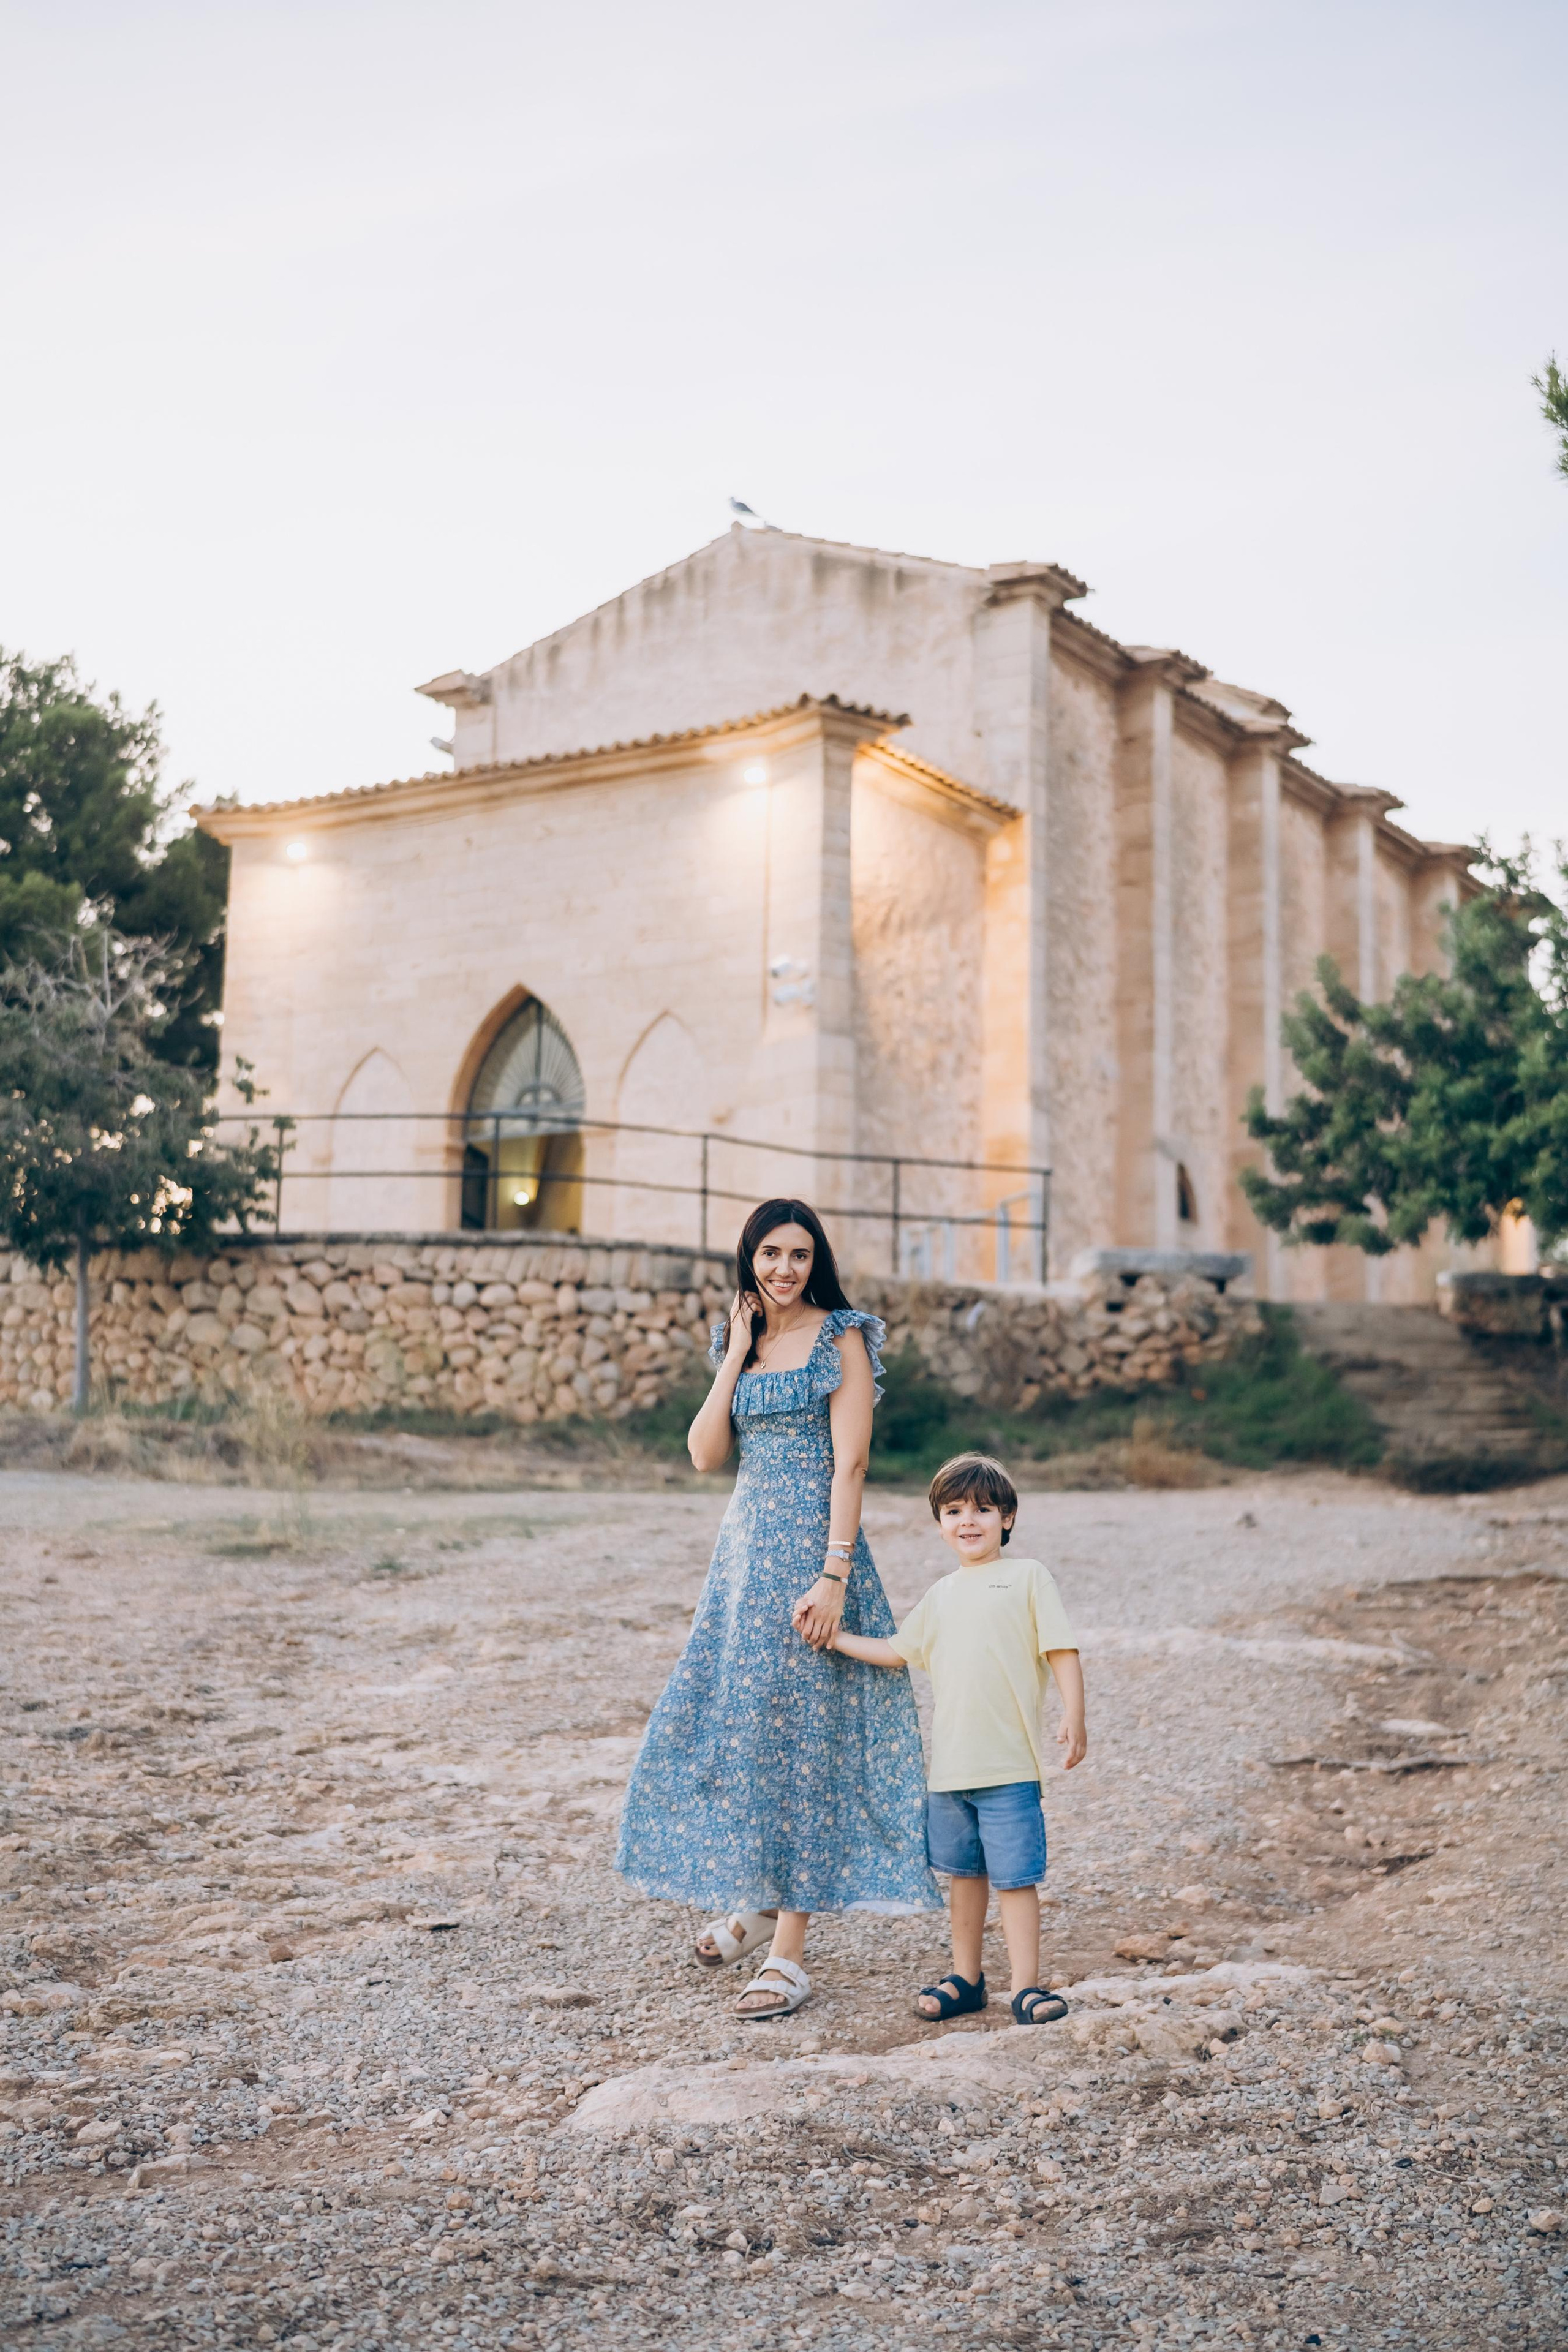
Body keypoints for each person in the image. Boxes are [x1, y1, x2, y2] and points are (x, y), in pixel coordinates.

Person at [614, 1198, 939, 2018]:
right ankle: (759, 1903)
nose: (784, 1269)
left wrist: (834, 1576)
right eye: (769, 1254)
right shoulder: (742, 1339)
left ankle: (789, 1952)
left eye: (798, 1255)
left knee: (807, 1745)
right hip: (742, 1564)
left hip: (811, 1559)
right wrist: (735, 1351)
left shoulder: (843, 1335)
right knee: (745, 1729)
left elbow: (852, 1463)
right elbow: (703, 1454)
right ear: (749, 1260)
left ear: (815, 1260)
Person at [826, 1451, 1086, 2025]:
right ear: (940, 1523)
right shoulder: (941, 1594)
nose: (968, 1520)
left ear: (1007, 1518)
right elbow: (896, 1652)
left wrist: (1075, 1714)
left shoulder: (1028, 1577)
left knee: (1016, 1881)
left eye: (983, 1509)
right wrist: (835, 1638)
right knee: (964, 1878)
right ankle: (967, 1979)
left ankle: (1026, 1987)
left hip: (1010, 1767)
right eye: (954, 1511)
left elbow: (1060, 1648)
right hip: (950, 1773)